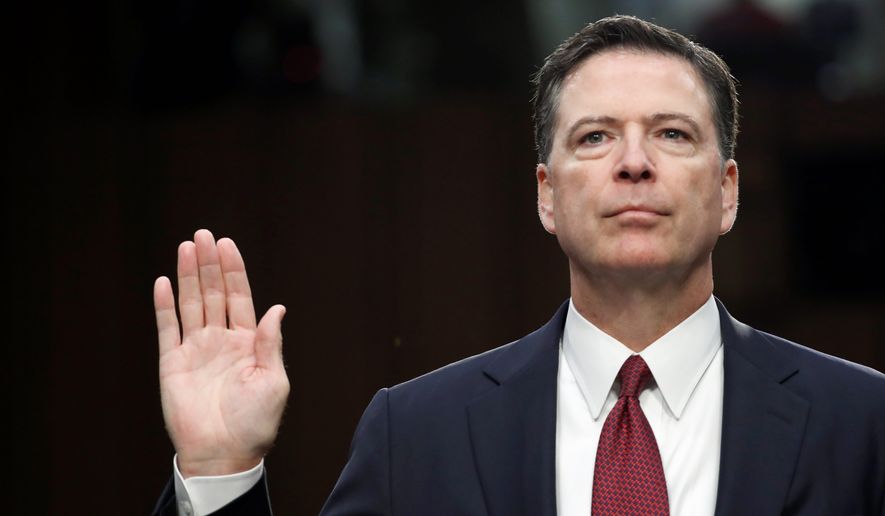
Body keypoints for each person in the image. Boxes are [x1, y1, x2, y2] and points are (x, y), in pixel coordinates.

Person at [151, 15, 885, 516]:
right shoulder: (417, 435)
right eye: (595, 137)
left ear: (726, 192)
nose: (633, 163)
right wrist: (218, 474)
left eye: (671, 134)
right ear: (546, 195)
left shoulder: (862, 424)